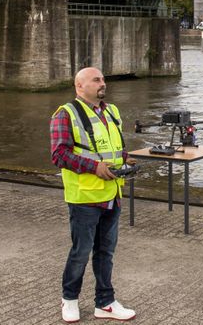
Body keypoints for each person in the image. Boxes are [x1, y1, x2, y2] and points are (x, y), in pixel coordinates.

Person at [50, 67, 136, 322]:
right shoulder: (66, 114)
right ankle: (69, 299)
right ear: (79, 86)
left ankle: (105, 302)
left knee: (105, 252)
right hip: (85, 197)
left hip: (112, 193)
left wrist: (124, 159)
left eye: (103, 79)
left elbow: (111, 147)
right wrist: (95, 167)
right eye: (96, 79)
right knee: (81, 252)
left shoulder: (112, 111)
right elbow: (59, 154)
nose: (103, 83)